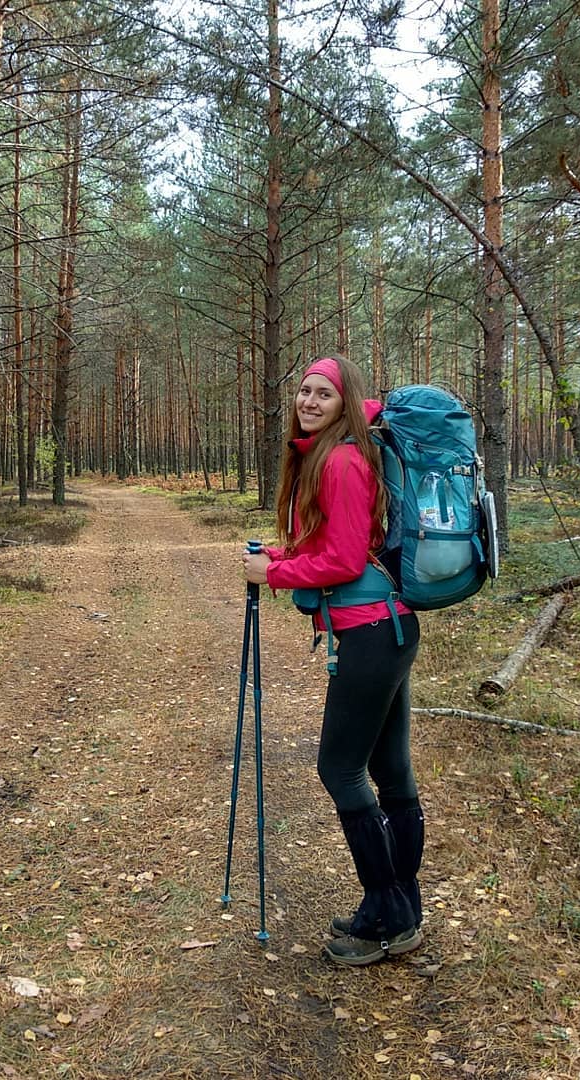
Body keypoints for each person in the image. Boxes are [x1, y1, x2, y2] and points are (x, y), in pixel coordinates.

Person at [242, 354, 424, 967]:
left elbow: (345, 563)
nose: (309, 401)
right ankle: (401, 909)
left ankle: (387, 915)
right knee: (391, 775)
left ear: (346, 402)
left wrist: (276, 572)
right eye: (304, 390)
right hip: (386, 630)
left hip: (373, 634)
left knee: (340, 771)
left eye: (324, 393)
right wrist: (288, 551)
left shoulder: (343, 461)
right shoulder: (339, 455)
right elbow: (345, 543)